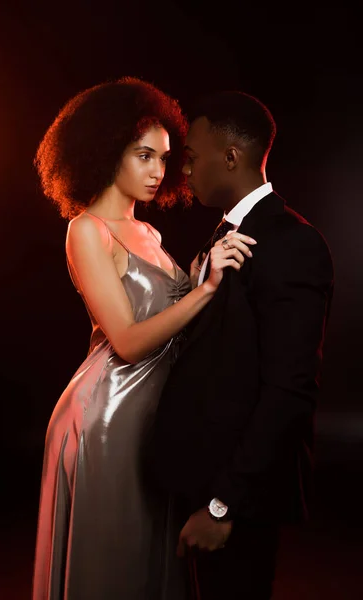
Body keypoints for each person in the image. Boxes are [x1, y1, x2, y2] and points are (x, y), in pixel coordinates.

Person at [31, 77, 255, 600]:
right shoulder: (86, 229)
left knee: (148, 562)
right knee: (114, 564)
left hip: (153, 415)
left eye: (165, 158)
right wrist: (206, 290)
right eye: (144, 155)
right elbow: (129, 343)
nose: (160, 171)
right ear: (109, 151)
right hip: (105, 417)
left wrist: (201, 277)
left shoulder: (148, 234)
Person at [149, 90, 334, 599]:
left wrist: (221, 506)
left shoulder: (291, 242)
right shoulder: (224, 234)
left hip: (236, 498)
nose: (183, 172)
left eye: (190, 158)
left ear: (231, 157)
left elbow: (290, 390)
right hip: (202, 481)